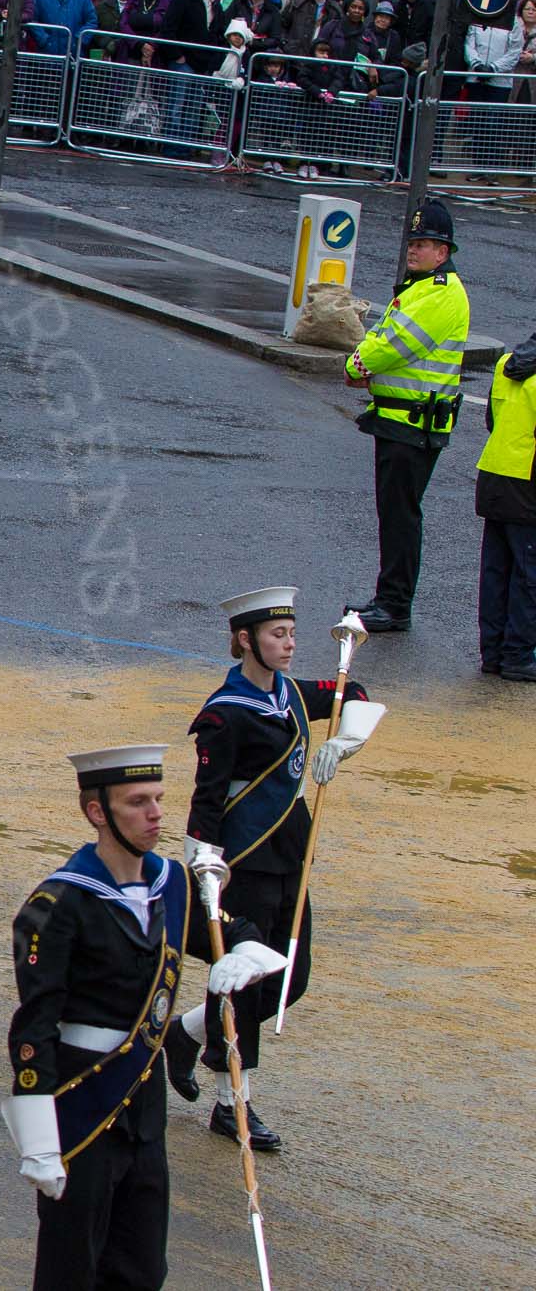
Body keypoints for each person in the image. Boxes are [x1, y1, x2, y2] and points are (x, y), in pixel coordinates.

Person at [5, 744, 281, 1290]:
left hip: (145, 1101)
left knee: (141, 1270)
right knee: (70, 1270)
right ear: (97, 812)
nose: (157, 814)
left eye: (158, 799)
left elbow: (232, 932)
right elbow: (34, 1029)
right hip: (81, 1102)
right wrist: (38, 1140)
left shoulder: (174, 884)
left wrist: (246, 957)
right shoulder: (56, 903)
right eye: (138, 802)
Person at [167, 587, 378, 1149]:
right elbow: (206, 799)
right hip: (244, 864)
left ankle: (184, 1032)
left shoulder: (289, 693)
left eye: (290, 635)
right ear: (245, 640)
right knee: (245, 984)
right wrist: (203, 864)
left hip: (291, 855)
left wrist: (350, 737)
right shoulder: (224, 716)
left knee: (290, 981)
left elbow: (349, 689)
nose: (288, 645)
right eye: (276, 635)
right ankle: (231, 1103)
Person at [343, 200, 469, 634]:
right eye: (413, 242)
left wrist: (357, 366)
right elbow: (383, 336)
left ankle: (395, 605)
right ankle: (389, 598)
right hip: (401, 420)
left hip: (414, 425)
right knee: (394, 513)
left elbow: (394, 344)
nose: (414, 249)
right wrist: (369, 363)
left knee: (400, 515)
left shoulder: (440, 293)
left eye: (425, 243)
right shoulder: (419, 289)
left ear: (444, 251)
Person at [475, 331, 536, 681]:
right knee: (529, 575)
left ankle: (494, 653)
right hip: (528, 482)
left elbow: (493, 421)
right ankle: (518, 655)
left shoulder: (506, 363)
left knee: (497, 571)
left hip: (495, 475)